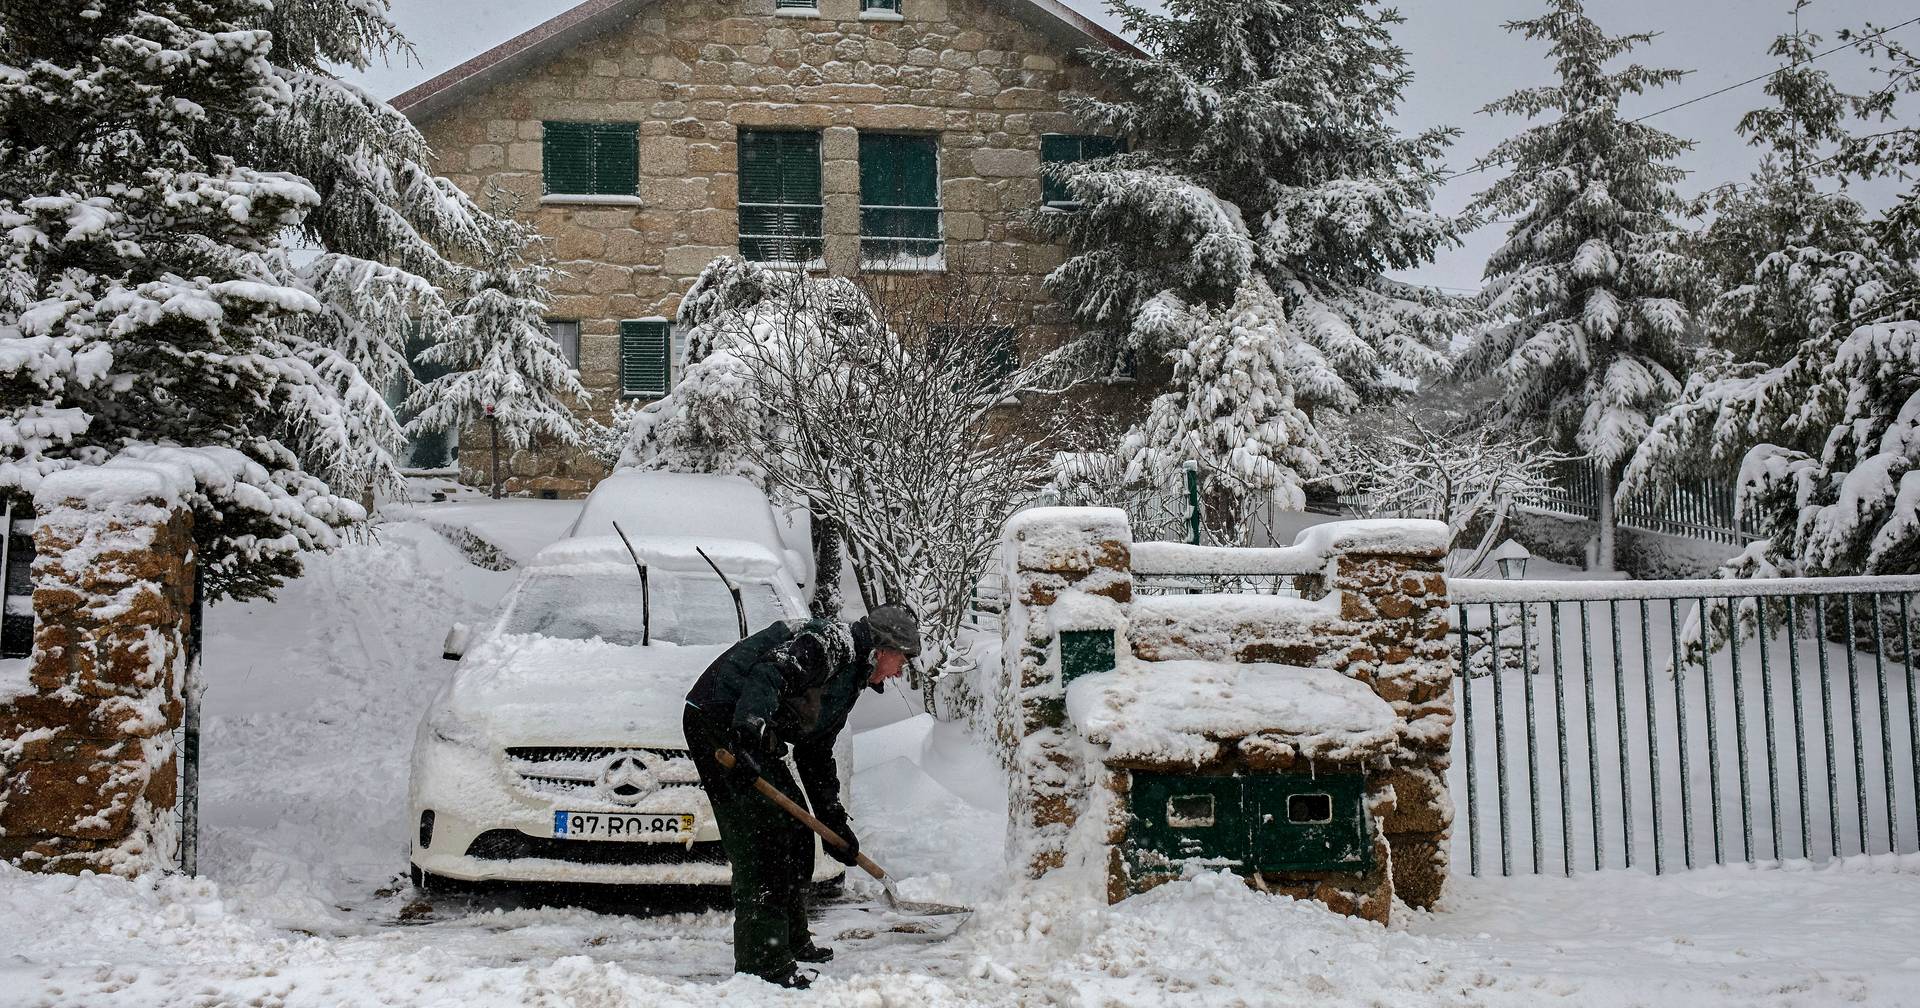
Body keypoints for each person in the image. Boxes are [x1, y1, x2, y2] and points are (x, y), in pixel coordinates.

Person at [682, 603, 922, 989]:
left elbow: (814, 752)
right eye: (902, 660)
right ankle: (763, 964)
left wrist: (834, 823)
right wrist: (746, 733)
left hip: (751, 730)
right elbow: (769, 672)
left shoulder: (850, 679)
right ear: (882, 648)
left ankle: (790, 938)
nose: (899, 671)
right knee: (763, 842)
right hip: (718, 720)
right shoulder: (830, 645)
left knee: (795, 834)